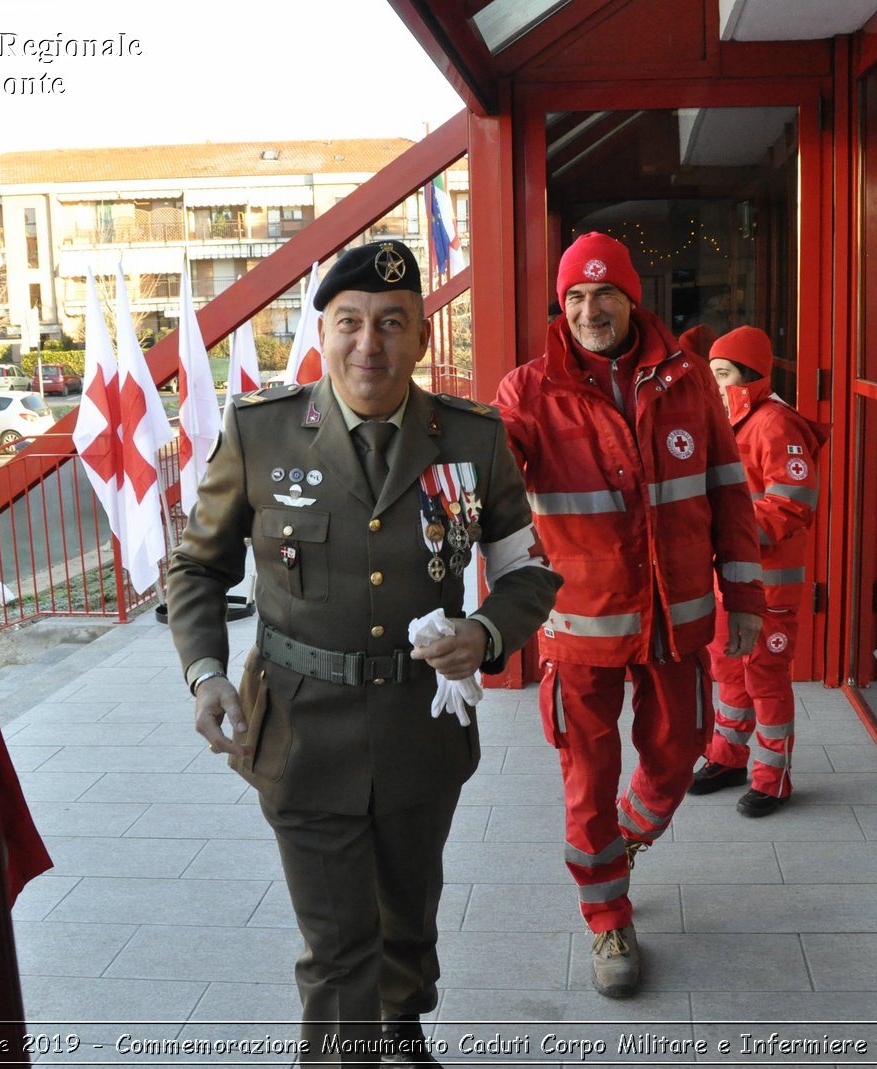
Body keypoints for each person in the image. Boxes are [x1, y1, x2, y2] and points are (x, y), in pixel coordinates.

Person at [167, 240, 562, 1067]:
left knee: (407, 916)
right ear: (323, 330)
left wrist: (485, 632)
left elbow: (528, 571)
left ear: (421, 337)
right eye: (349, 322)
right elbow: (198, 566)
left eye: (391, 324)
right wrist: (205, 673)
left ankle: (404, 1022)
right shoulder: (262, 432)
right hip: (302, 728)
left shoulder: (473, 440)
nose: (368, 344)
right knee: (338, 945)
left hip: (420, 727)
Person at [492, 232, 765, 998]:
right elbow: (492, 475)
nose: (588, 310)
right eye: (574, 296)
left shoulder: (688, 383)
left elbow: (728, 495)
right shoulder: (526, 390)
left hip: (675, 622)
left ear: (631, 297)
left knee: (678, 756)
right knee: (587, 777)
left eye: (602, 293)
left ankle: (626, 835)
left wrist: (743, 595)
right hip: (578, 628)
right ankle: (607, 914)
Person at [687, 327, 827, 817]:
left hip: (769, 587)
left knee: (765, 679)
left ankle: (773, 778)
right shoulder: (732, 419)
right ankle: (727, 756)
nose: (715, 383)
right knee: (728, 671)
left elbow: (791, 507)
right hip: (730, 582)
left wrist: (726, 531)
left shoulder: (774, 424)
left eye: (722, 374)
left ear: (747, 375)